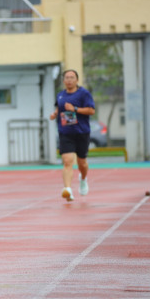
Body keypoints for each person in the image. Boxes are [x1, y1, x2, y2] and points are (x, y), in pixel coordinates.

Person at [50, 69, 95, 202]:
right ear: (64, 80)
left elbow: (91, 110)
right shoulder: (60, 95)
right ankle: (68, 189)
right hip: (65, 132)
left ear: (77, 80)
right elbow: (59, 108)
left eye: (72, 77)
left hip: (81, 132)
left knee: (82, 163)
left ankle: (83, 179)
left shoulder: (84, 94)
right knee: (67, 161)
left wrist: (75, 109)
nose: (69, 80)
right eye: (67, 78)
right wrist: (55, 114)